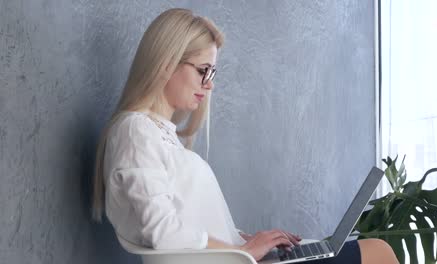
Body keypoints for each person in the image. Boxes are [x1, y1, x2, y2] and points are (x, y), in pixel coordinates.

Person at [91, 8, 398, 264]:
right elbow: (163, 233)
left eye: (213, 74)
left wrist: (248, 240)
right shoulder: (136, 131)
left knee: (374, 251)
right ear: (166, 63)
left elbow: (184, 224)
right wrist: (242, 251)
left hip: (237, 257)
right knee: (378, 253)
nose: (209, 85)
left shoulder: (158, 134)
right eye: (203, 70)